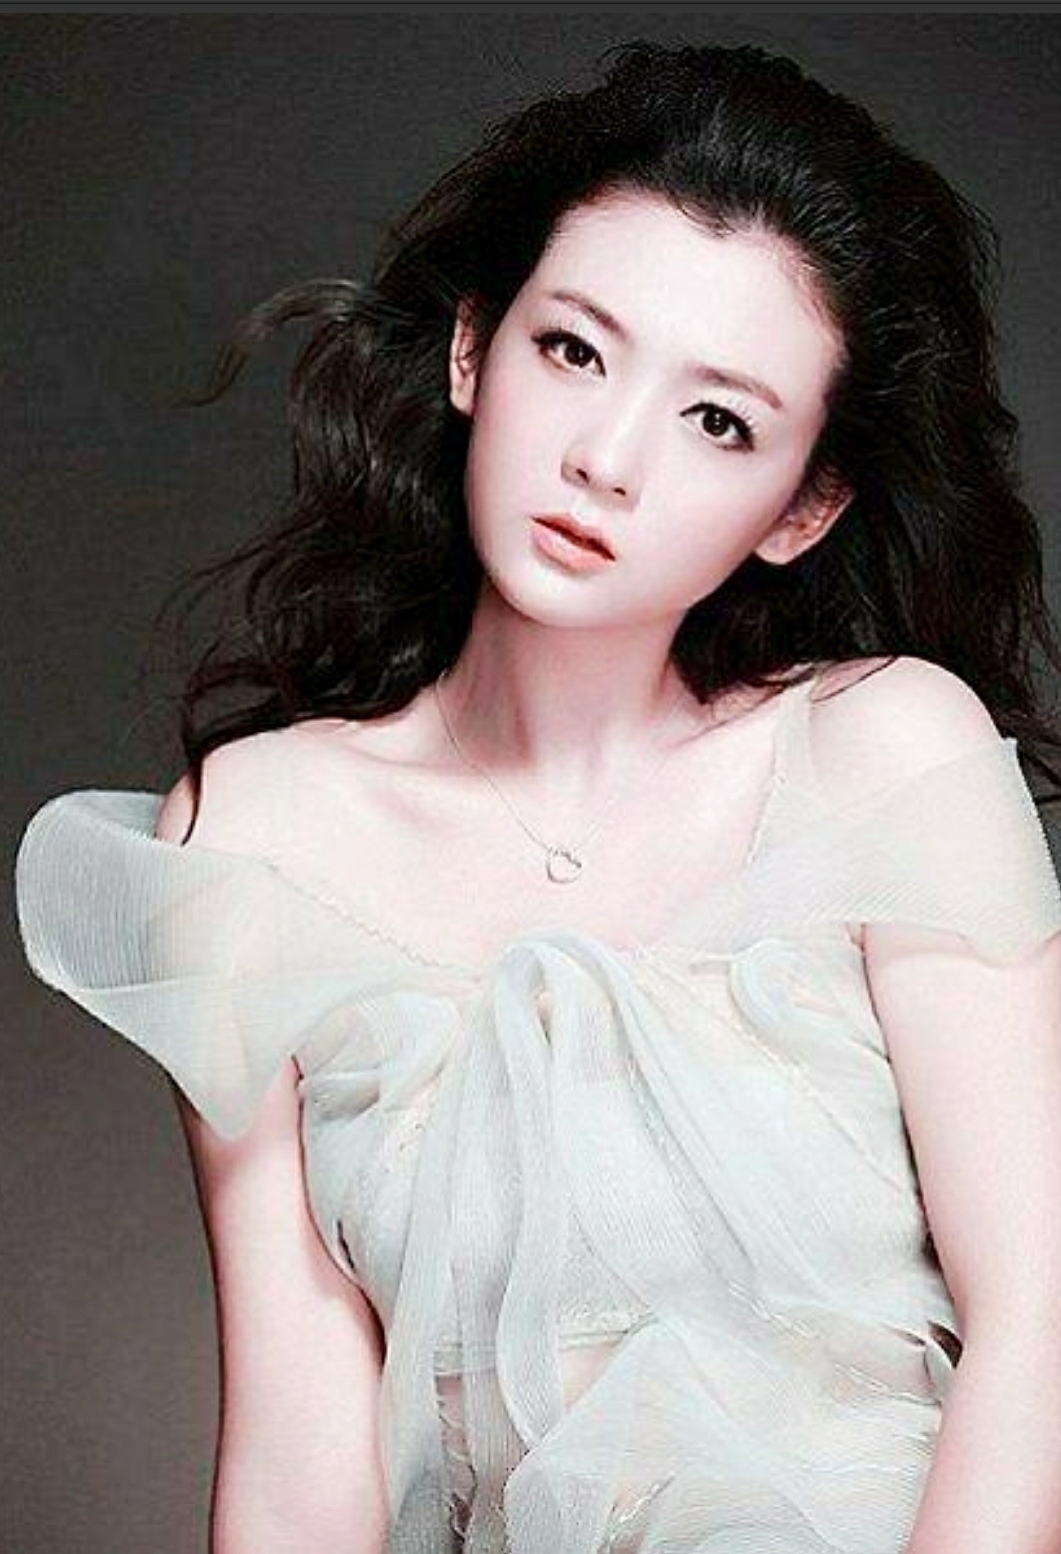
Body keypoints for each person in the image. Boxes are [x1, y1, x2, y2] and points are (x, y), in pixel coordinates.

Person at [14, 36, 1061, 1554]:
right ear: (471, 351)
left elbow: (1040, 1320)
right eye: (574, 350)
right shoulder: (253, 838)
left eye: (719, 420)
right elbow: (301, 1471)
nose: (607, 460)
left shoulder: (882, 751)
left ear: (803, 507)